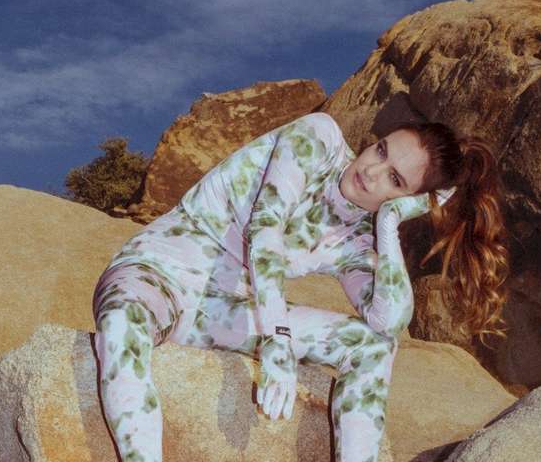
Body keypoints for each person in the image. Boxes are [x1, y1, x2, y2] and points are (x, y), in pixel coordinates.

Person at [91, 112, 509, 462]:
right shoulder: (318, 138)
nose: (371, 171)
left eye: (395, 180)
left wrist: (388, 224)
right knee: (122, 325)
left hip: (219, 314)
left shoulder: (355, 242)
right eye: (381, 150)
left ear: (407, 200)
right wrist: (277, 339)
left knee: (374, 347)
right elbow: (265, 228)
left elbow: (388, 321)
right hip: (154, 274)